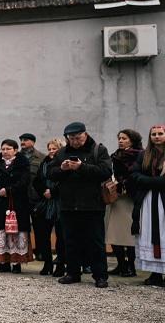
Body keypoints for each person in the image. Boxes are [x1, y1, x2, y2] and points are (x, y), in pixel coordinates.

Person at [48, 122, 112, 288]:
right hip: (68, 204)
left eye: (78, 138)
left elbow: (105, 171)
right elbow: (51, 173)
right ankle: (73, 273)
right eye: (71, 138)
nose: (75, 141)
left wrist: (81, 167)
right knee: (71, 240)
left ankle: (100, 275)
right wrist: (62, 169)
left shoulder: (98, 150)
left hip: (92, 204)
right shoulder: (62, 152)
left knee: (95, 241)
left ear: (85, 134)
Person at [0, 139, 33, 273]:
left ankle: (16, 263)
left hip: (17, 203)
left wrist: (9, 190)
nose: (5, 152)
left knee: (15, 233)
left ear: (15, 150)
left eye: (8, 149)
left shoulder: (22, 163)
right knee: (0, 232)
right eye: (3, 149)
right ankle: (3, 262)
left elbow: (24, 181)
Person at [130, 125, 165, 287]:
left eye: (160, 134)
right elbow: (134, 174)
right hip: (148, 200)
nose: (157, 137)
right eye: (153, 134)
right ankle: (155, 274)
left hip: (163, 201)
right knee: (148, 234)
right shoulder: (144, 155)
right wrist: (155, 182)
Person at [106, 129, 143, 278]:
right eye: (119, 138)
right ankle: (120, 264)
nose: (120, 141)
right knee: (114, 234)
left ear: (132, 140)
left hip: (131, 198)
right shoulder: (116, 155)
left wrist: (126, 183)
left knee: (128, 235)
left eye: (124, 138)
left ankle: (130, 267)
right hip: (117, 198)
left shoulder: (140, 154)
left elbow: (138, 174)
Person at [33, 138, 67, 276]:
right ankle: (47, 263)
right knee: (42, 234)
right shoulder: (44, 163)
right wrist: (44, 191)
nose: (52, 151)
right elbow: (37, 181)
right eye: (50, 149)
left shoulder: (65, 163)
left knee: (61, 236)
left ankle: (60, 265)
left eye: (55, 149)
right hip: (45, 203)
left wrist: (53, 192)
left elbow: (66, 182)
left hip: (60, 203)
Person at [19, 133, 47, 261]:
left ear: (33, 142)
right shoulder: (17, 156)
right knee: (22, 227)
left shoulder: (41, 157)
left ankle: (40, 251)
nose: (23, 142)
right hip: (21, 197)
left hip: (36, 198)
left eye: (26, 140)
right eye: (21, 140)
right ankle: (24, 251)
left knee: (39, 227)